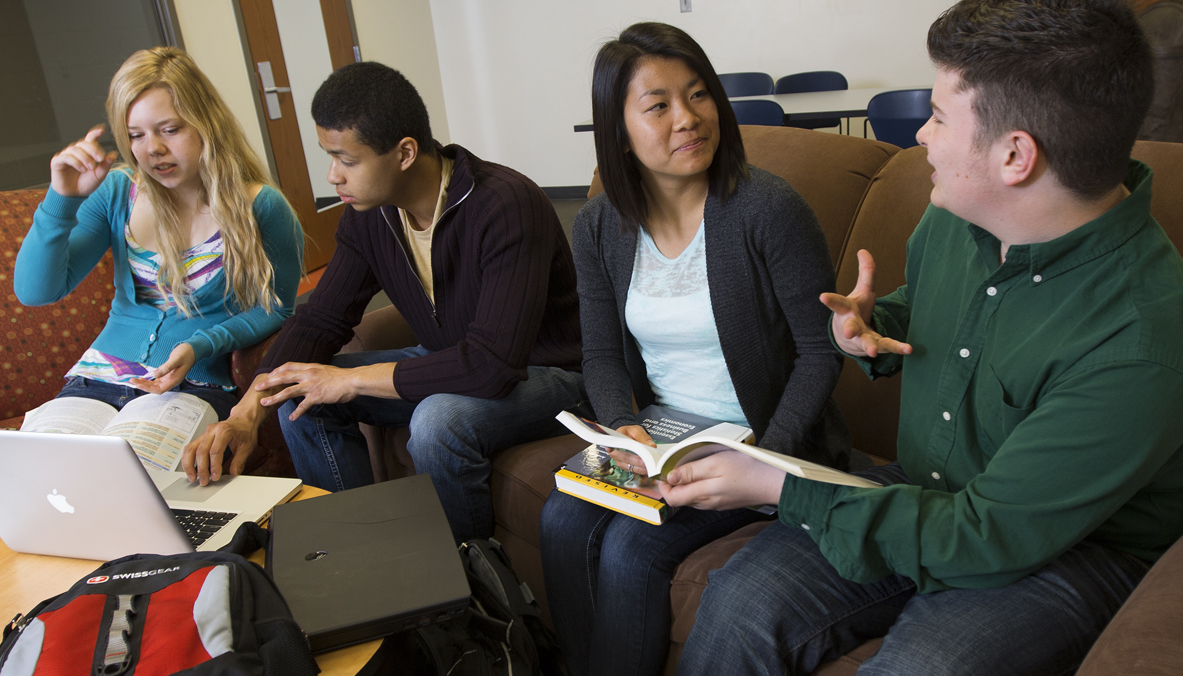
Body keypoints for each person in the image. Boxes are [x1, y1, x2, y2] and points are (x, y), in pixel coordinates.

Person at [674, 1, 1183, 674]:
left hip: (1073, 544)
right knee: (740, 597)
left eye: (939, 116)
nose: (918, 134)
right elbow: (931, 310)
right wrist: (872, 325)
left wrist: (779, 487)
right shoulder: (958, 214)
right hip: (932, 485)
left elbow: (987, 534)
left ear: (1013, 155)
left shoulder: (1139, 337)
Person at [538, 22, 850, 676]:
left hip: (756, 442)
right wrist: (623, 429)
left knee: (629, 551)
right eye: (658, 106)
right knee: (561, 518)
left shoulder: (766, 208)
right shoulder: (599, 224)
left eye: (699, 95)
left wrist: (765, 456)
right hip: (661, 433)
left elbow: (820, 354)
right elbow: (599, 356)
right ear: (617, 129)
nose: (687, 118)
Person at [183, 62, 586, 544]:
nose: (333, 176)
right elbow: (322, 318)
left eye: (346, 160)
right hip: (449, 362)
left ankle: (470, 586)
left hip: (550, 376)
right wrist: (246, 412)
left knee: (437, 420)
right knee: (302, 392)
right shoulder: (369, 215)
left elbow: (492, 365)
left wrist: (348, 380)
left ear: (405, 153)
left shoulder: (505, 204)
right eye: (327, 157)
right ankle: (361, 553)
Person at [14, 47, 302, 427]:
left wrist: (199, 345)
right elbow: (36, 291)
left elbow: (277, 308)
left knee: (136, 479)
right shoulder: (119, 192)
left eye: (170, 129)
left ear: (207, 123)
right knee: (40, 476)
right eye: (136, 135)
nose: (153, 149)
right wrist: (62, 200)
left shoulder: (261, 206)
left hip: (190, 385)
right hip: (93, 380)